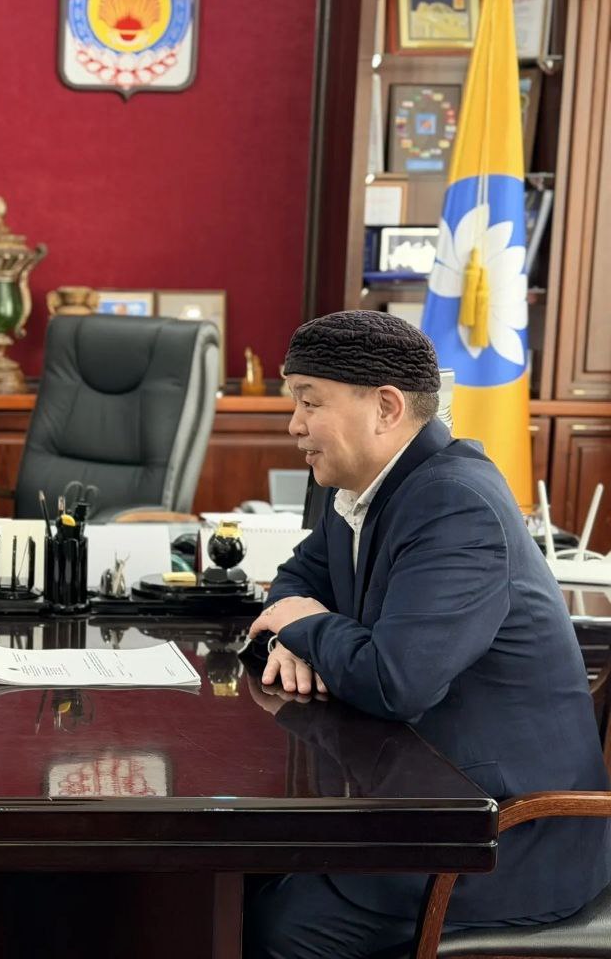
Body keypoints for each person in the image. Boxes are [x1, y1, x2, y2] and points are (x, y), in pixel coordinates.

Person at [243, 310, 611, 959]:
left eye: (309, 401)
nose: (294, 424)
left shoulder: (454, 501)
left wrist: (303, 625)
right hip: (421, 797)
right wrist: (289, 634)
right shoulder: (364, 487)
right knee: (245, 879)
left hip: (500, 838)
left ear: (385, 408)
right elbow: (294, 581)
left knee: (277, 922)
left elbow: (394, 682)